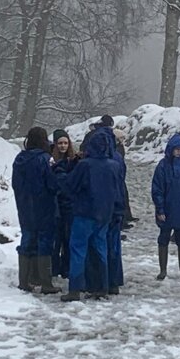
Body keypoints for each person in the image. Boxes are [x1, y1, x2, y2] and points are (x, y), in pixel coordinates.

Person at [61, 128, 123, 302]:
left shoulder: (85, 165)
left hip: (84, 213)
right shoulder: (114, 166)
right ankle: (102, 287)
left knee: (78, 249)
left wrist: (62, 171)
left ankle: (75, 288)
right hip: (105, 215)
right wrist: (118, 212)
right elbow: (119, 192)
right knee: (101, 249)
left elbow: (70, 186)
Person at [12, 127, 62, 294]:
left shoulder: (19, 159)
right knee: (45, 241)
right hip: (44, 206)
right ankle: (45, 282)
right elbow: (52, 184)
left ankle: (24, 281)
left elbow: (15, 184)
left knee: (27, 239)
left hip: (25, 206)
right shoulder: (46, 159)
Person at [151, 134, 180, 281]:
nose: (178, 152)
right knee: (163, 239)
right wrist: (160, 209)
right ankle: (162, 270)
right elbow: (157, 189)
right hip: (167, 209)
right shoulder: (162, 166)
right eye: (176, 149)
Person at [50, 129, 78, 282]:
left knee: (68, 238)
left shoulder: (73, 160)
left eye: (65, 143)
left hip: (69, 205)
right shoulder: (50, 160)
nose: (63, 146)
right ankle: (55, 267)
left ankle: (66, 267)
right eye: (60, 143)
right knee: (56, 239)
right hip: (55, 204)